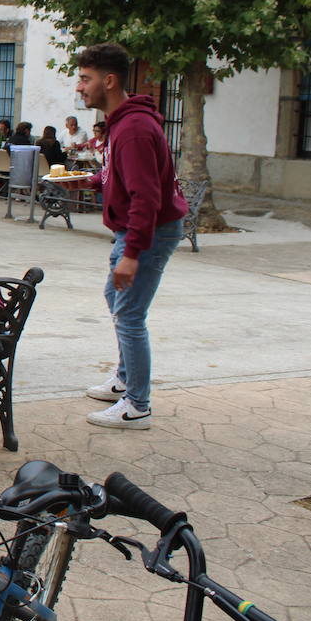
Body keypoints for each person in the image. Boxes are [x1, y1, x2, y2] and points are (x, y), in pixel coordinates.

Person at [57, 42, 187, 430]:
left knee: (129, 315)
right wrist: (91, 180)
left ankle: (137, 405)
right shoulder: (122, 123)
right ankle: (125, 380)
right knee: (116, 299)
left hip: (147, 231)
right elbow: (123, 175)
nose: (80, 87)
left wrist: (132, 253)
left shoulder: (131, 128)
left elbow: (146, 197)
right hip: (137, 230)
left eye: (85, 78)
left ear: (108, 80)